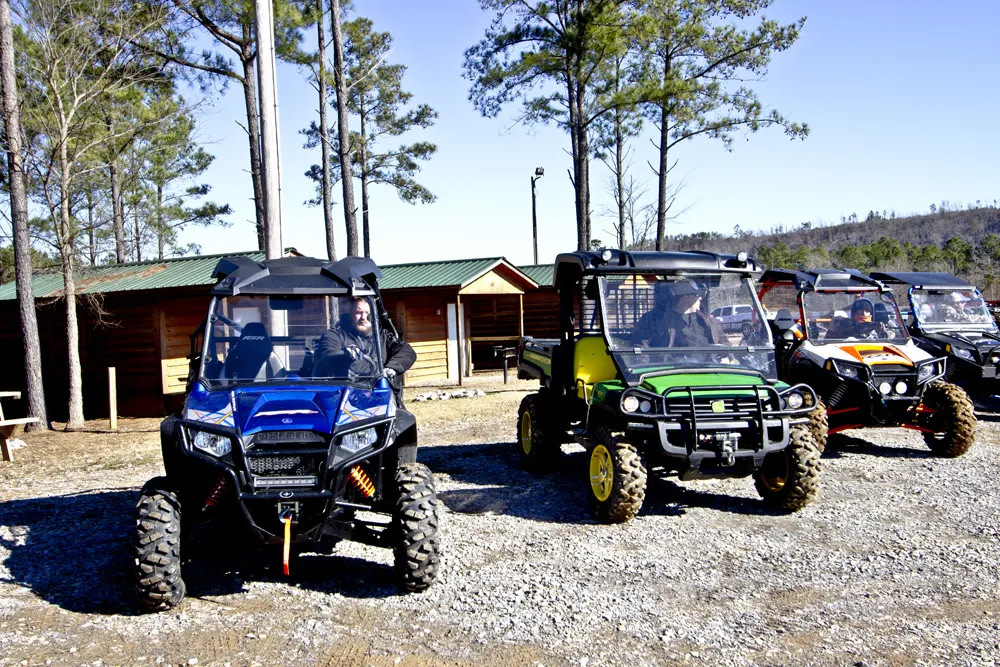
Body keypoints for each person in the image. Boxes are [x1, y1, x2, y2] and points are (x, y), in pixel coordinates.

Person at [312, 297, 416, 394]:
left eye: (367, 314)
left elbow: (407, 351)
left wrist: (391, 369)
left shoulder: (383, 337)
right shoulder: (335, 335)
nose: (363, 317)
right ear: (350, 314)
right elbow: (326, 356)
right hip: (344, 394)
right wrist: (345, 354)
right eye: (358, 312)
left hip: (379, 394)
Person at [631, 280, 725, 347]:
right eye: (697, 295)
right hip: (672, 371)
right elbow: (641, 344)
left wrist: (729, 357)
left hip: (709, 370)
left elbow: (724, 342)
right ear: (684, 298)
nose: (700, 298)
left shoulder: (707, 320)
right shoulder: (656, 320)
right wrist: (645, 357)